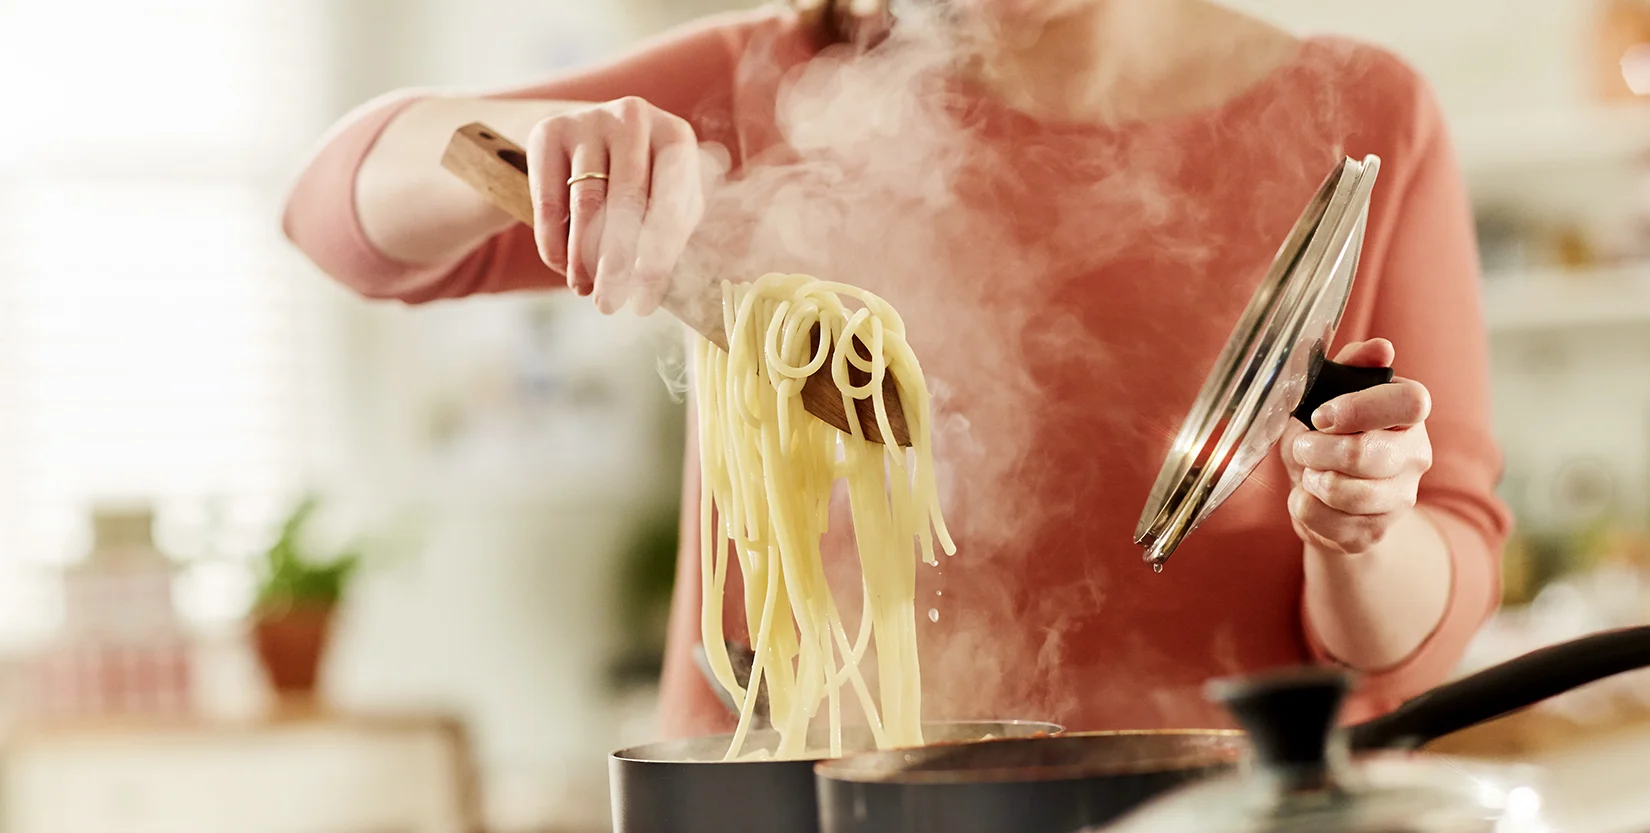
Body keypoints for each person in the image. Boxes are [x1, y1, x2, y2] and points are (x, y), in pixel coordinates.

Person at [284, 0, 1510, 732]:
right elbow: (338, 214)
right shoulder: (778, 87)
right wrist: (541, 144)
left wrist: (1362, 531)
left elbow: (1410, 635)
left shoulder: (1357, 113)